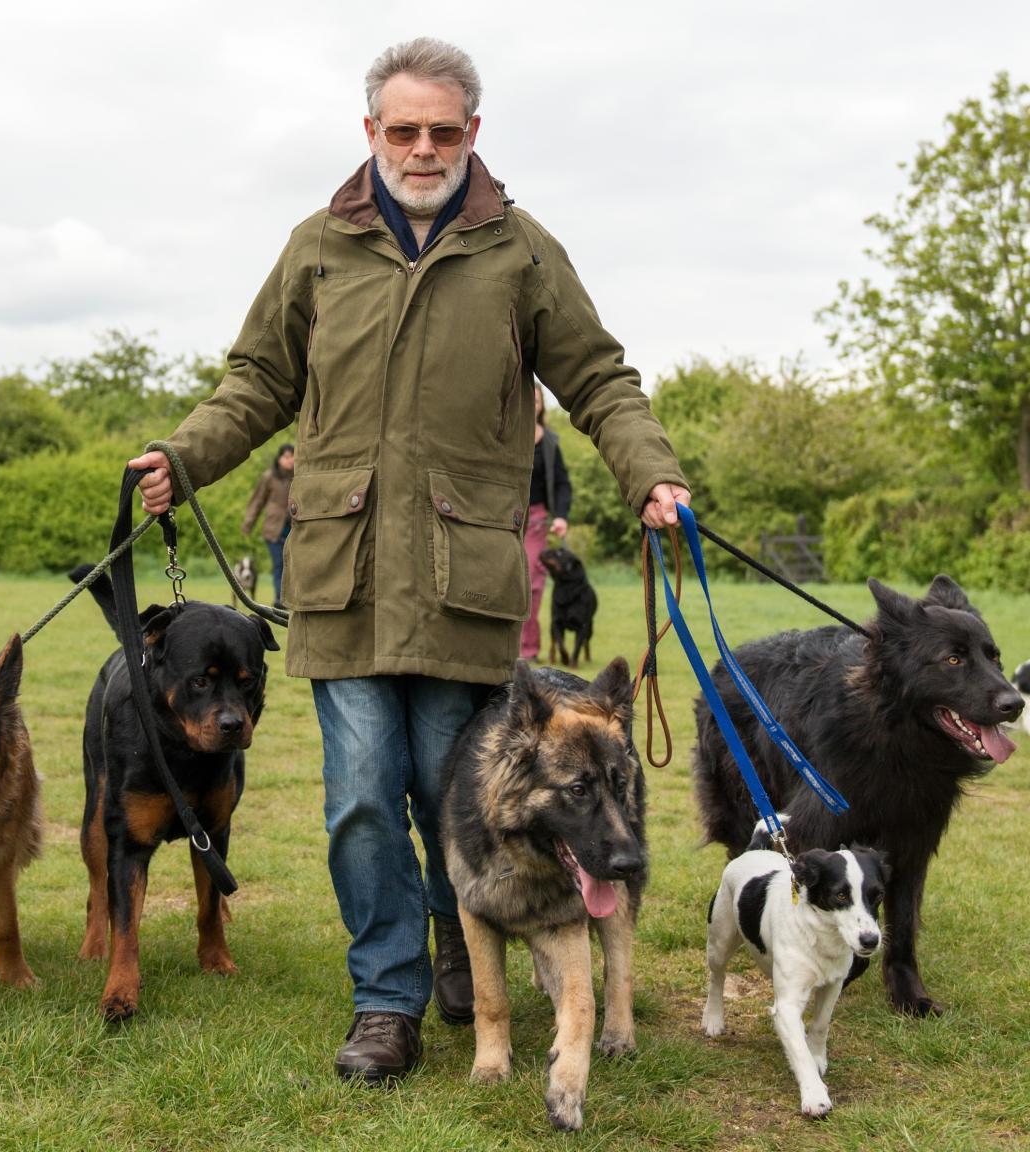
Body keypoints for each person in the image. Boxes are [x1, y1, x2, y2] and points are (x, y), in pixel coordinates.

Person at [130, 36, 690, 1086]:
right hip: (341, 577)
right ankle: (385, 1000)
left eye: (441, 130)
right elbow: (256, 380)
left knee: (455, 800)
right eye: (403, 130)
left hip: (462, 583)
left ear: (473, 132)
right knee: (358, 797)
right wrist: (183, 457)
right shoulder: (317, 247)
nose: (422, 148)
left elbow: (599, 378)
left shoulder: (521, 251)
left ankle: (459, 952)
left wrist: (651, 475)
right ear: (371, 132)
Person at [520, 384, 572, 661]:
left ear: (541, 406)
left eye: (537, 400)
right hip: (502, 515)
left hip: (536, 519)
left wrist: (561, 515)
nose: (532, 404)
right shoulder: (502, 435)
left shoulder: (549, 442)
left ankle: (527, 650)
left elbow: (562, 483)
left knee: (531, 580)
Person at [241, 442, 295, 605]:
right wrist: (248, 523)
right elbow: (257, 501)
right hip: (273, 529)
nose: (290, 460)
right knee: (279, 564)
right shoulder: (269, 477)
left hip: (295, 527)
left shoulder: (299, 475)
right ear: (279, 459)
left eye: (293, 456)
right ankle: (280, 599)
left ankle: (293, 598)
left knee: (294, 565)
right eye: (287, 456)